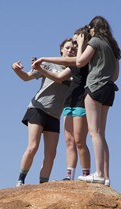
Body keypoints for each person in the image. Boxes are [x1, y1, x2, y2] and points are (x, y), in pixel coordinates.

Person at [11, 39, 73, 187]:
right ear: (61, 50)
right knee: (33, 146)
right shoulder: (48, 64)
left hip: (54, 115)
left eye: (74, 48)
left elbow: (61, 80)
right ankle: (20, 180)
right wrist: (16, 69)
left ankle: (42, 185)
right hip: (38, 108)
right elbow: (26, 77)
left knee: (51, 154)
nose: (71, 50)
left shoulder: (75, 70)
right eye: (68, 47)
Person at [33, 27, 91, 181]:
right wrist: (41, 67)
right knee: (69, 141)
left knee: (80, 141)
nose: (73, 45)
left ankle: (86, 174)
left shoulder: (85, 58)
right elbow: (58, 76)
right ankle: (69, 175)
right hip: (69, 102)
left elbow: (68, 61)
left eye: (76, 41)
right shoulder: (74, 63)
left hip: (81, 102)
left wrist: (44, 59)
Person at [75, 16, 121, 186]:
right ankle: (106, 176)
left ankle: (99, 173)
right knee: (101, 133)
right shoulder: (114, 47)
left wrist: (81, 44)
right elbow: (116, 76)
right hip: (109, 89)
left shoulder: (95, 41)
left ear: (93, 28)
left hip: (95, 87)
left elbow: (80, 62)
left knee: (94, 132)